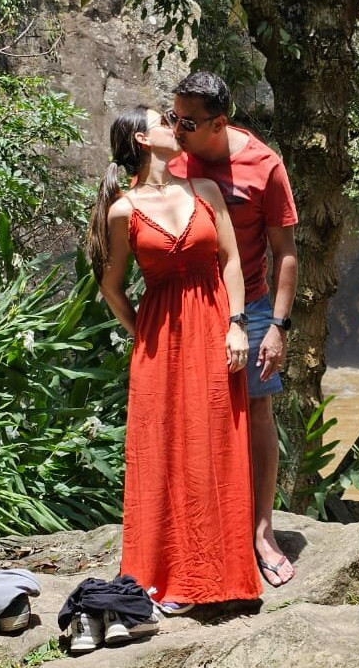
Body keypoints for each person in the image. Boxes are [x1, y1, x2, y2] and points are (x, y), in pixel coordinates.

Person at [86, 106, 261, 611]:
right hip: (161, 344)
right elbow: (111, 287)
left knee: (215, 444)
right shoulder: (123, 210)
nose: (175, 126)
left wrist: (237, 324)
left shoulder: (204, 191)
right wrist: (143, 333)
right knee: (163, 452)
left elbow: (230, 261)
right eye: (164, 121)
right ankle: (170, 576)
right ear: (143, 140)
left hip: (215, 330)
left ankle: (221, 573)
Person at [167, 71, 298, 588]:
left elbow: (286, 252)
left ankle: (262, 531)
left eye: (188, 122)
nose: (177, 129)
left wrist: (278, 326)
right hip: (189, 304)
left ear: (219, 123)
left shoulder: (263, 165)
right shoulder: (171, 160)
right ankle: (202, 530)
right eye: (173, 117)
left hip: (255, 304)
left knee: (257, 409)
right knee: (191, 414)